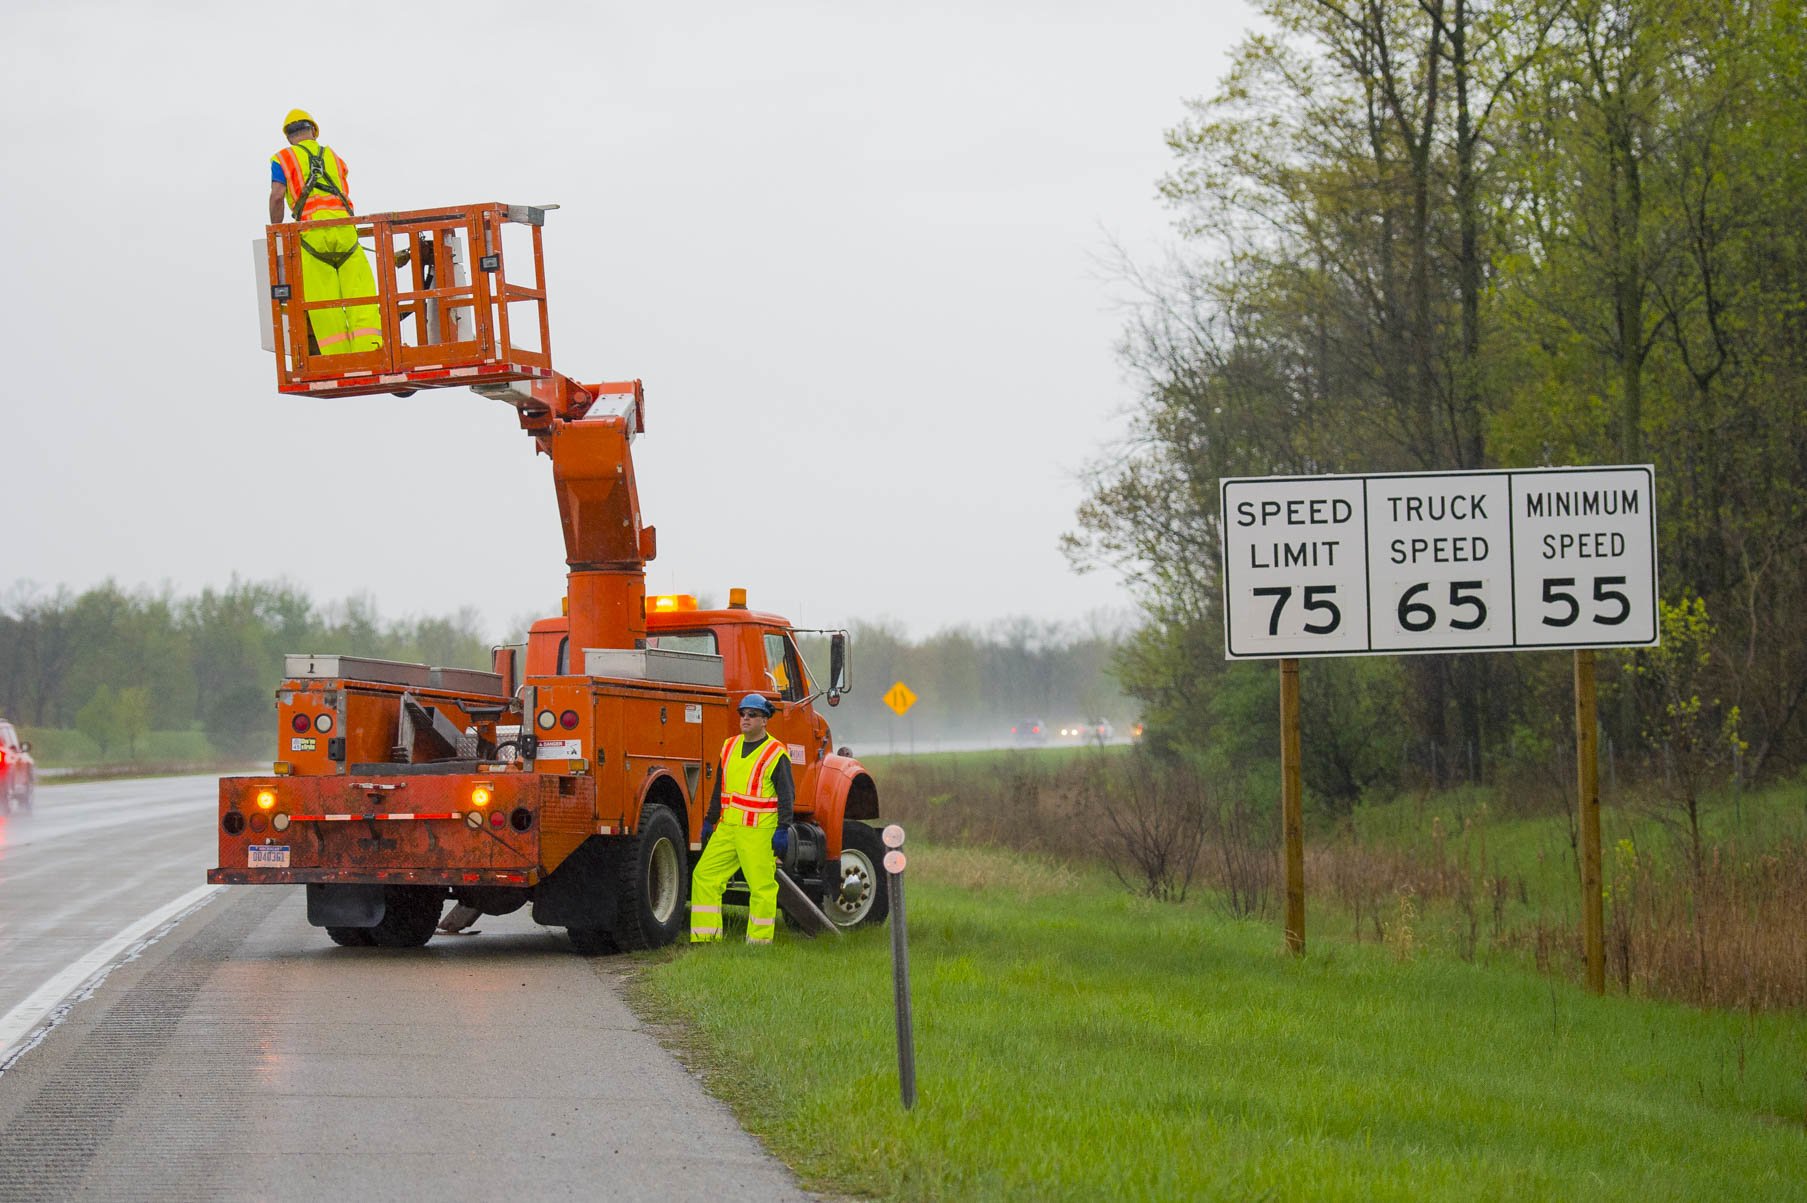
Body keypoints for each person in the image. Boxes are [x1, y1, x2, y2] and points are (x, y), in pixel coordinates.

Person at [268, 109, 384, 355]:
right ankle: (371, 349)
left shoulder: (282, 159)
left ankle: (338, 357)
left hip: (312, 237)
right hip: (345, 233)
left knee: (323, 303)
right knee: (360, 295)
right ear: (313, 131)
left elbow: (277, 196)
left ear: (289, 137)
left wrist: (276, 231)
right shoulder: (334, 157)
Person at [689, 694, 792, 945]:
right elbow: (718, 789)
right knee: (704, 876)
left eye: (752, 714)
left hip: (758, 831)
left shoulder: (776, 753)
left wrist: (783, 830)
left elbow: (787, 795)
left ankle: (758, 943)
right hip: (727, 828)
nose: (745, 718)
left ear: (764, 720)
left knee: (762, 887)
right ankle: (706, 939)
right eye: (743, 714)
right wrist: (709, 820)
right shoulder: (729, 746)